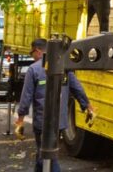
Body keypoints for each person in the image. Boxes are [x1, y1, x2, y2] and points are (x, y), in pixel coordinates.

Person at [16, 38, 95, 172]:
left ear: (38, 51)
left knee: (47, 157)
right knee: (44, 153)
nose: (33, 57)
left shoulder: (33, 69)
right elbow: (77, 88)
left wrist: (20, 120)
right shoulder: (63, 66)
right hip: (59, 121)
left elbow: (26, 96)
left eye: (32, 53)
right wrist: (88, 107)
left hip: (43, 122)